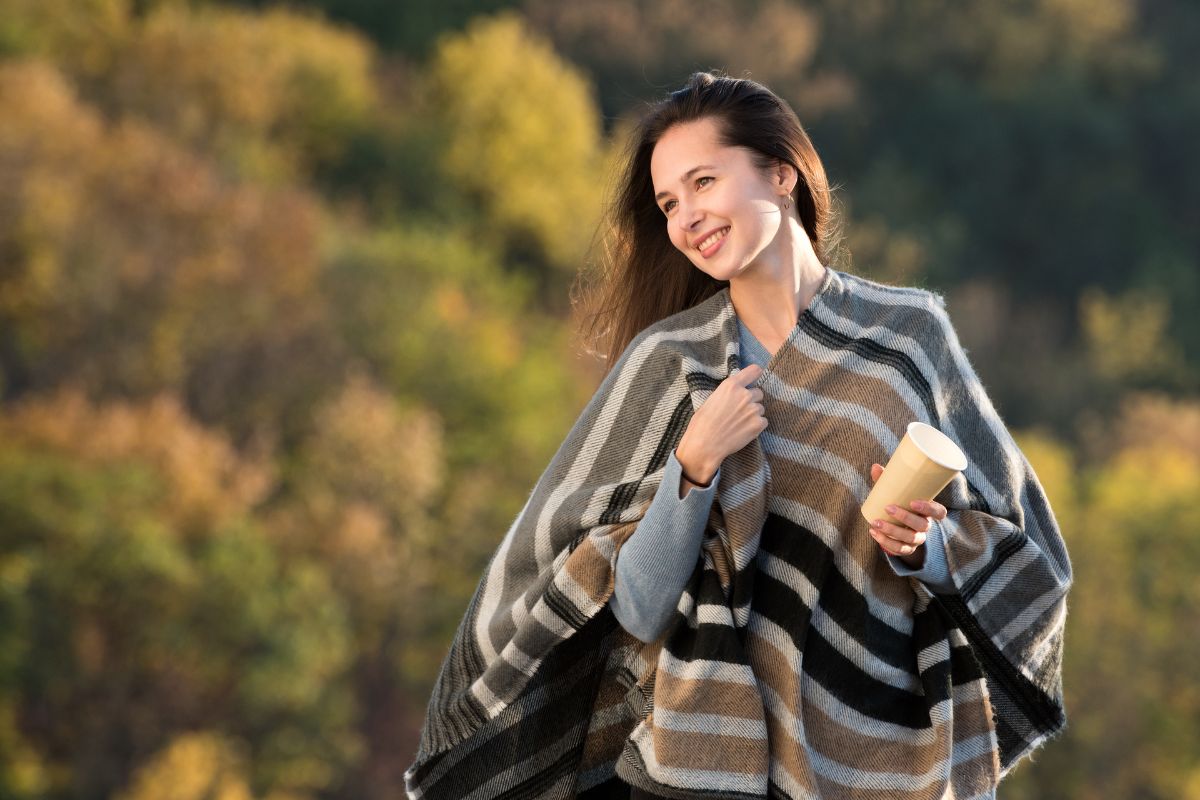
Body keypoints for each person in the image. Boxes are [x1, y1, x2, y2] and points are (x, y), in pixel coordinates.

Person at [404, 71, 1072, 800]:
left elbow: (1026, 554)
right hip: (693, 765)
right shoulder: (668, 365)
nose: (686, 216)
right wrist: (690, 471)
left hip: (878, 759)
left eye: (703, 182)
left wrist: (929, 550)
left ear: (780, 174)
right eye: (668, 202)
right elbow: (636, 609)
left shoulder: (908, 339)